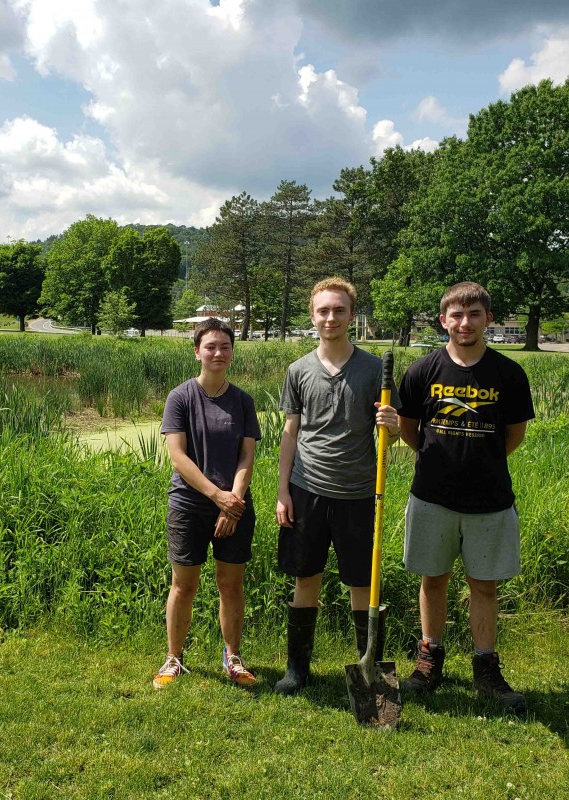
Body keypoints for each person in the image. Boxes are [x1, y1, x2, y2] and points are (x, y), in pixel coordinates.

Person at [393, 281, 534, 712]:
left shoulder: (509, 374)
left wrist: (477, 459)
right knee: (432, 579)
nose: (465, 323)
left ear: (488, 319)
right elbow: (408, 429)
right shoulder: (422, 371)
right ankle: (429, 659)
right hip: (432, 496)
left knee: (484, 585)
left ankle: (485, 668)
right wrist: (439, 460)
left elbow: (513, 436)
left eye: (474, 314)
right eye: (456, 315)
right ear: (443, 321)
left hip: (489, 499)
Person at [274, 277, 399, 695]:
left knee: (361, 585)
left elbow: (391, 435)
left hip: (360, 493)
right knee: (305, 578)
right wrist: (282, 491)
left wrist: (393, 427)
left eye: (339, 310)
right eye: (323, 311)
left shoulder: (372, 370)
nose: (331, 318)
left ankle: (369, 672)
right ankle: (297, 670)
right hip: (306, 490)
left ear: (351, 315)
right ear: (312, 316)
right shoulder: (298, 371)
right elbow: (290, 432)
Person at [152, 317, 262, 689]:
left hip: (235, 505)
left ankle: (233, 657)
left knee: (231, 584)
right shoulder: (180, 397)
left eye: (225, 347)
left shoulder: (243, 401)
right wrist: (218, 498)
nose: (218, 353)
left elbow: (247, 457)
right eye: (211, 346)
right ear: (197, 351)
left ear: (232, 352)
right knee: (184, 585)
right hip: (189, 505)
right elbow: (178, 457)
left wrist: (234, 503)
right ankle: (173, 658)